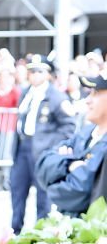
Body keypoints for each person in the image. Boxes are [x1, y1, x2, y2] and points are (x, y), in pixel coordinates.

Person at [9, 54, 75, 233]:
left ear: (47, 74)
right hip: (23, 147)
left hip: (43, 151)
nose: (34, 75)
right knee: (17, 190)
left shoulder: (56, 97)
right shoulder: (26, 92)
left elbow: (68, 127)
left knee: (43, 196)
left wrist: (52, 148)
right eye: (31, 71)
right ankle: (15, 230)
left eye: (39, 71)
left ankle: (41, 233)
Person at [36, 74, 107, 216]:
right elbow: (42, 165)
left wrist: (55, 180)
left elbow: (80, 192)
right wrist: (70, 164)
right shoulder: (86, 133)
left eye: (96, 93)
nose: (88, 100)